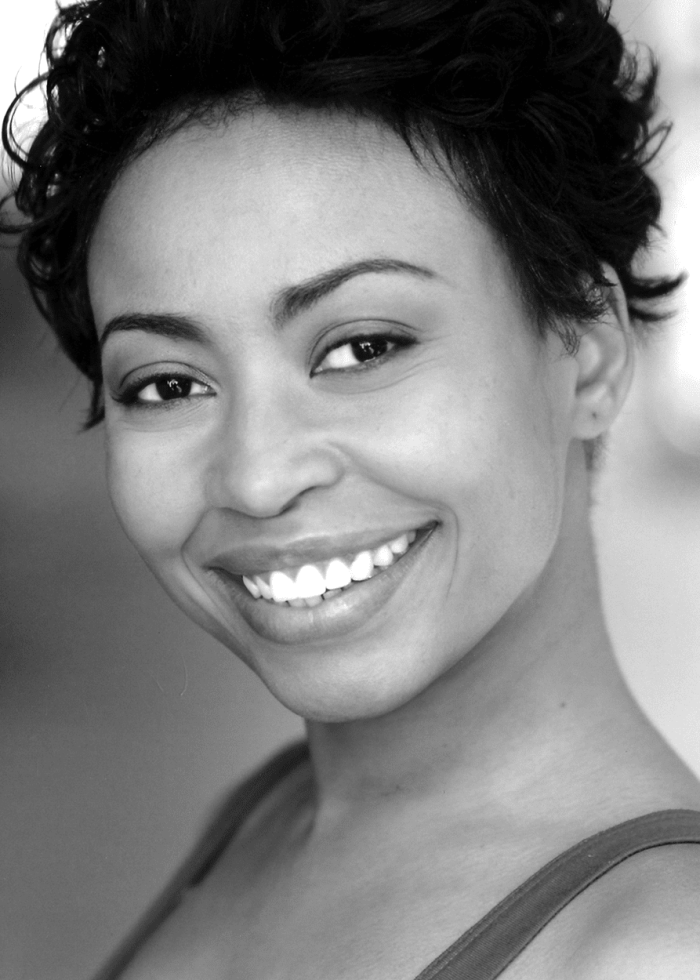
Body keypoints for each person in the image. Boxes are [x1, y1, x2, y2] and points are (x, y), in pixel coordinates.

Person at [3, 0, 700, 977]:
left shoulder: (654, 951)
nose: (254, 473)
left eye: (362, 346)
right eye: (168, 382)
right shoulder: (267, 817)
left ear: (583, 353)